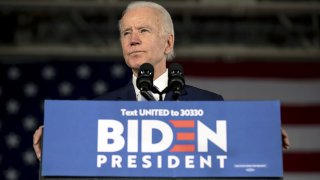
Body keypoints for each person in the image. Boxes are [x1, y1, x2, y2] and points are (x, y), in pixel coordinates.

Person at [33, 1, 290, 160]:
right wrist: (58, 139)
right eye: (126, 33)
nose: (133, 39)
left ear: (168, 42)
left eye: (143, 30)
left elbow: (229, 160)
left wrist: (260, 138)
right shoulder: (98, 109)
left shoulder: (209, 103)